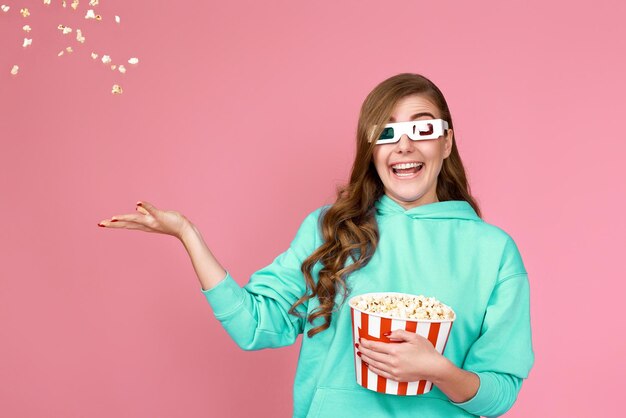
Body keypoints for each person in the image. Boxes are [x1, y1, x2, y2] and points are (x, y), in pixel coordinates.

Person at [98, 73, 534, 418]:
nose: (403, 145)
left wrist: (438, 371)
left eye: (421, 128)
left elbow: (499, 392)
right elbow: (254, 325)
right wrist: (188, 235)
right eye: (386, 132)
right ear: (371, 147)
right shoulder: (331, 230)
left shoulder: (493, 252)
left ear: (446, 142)